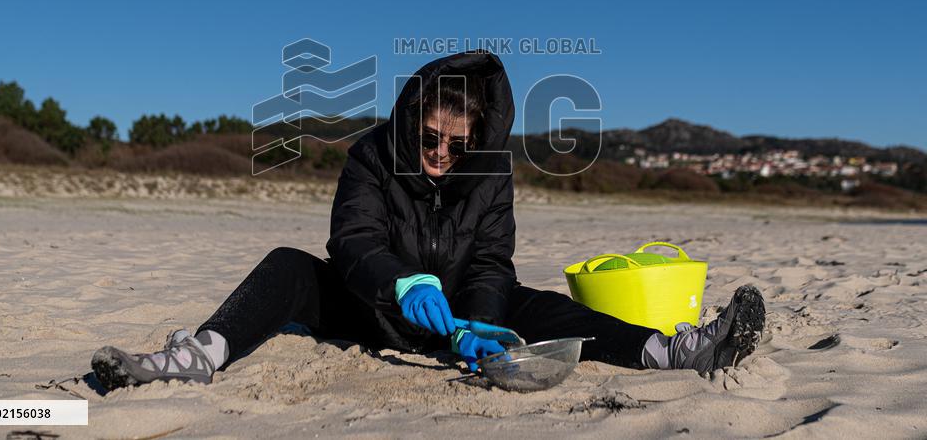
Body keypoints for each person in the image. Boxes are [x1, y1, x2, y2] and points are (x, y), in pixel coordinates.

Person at [91, 51, 765, 391]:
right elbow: (351, 241)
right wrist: (404, 283)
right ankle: (197, 357)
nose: (442, 153)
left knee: (547, 307)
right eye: (430, 138)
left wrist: (477, 320)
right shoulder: (369, 157)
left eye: (458, 143)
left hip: (466, 322)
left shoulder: (492, 173)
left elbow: (491, 259)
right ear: (412, 121)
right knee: (289, 267)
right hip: (376, 308)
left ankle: (677, 351)